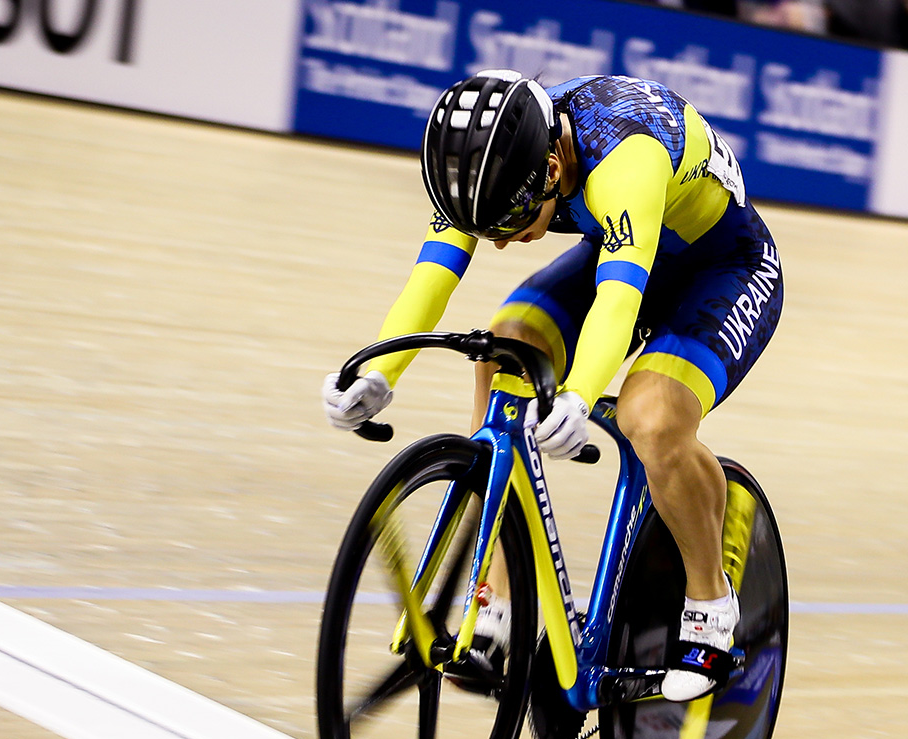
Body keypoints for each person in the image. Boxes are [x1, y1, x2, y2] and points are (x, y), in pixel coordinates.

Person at [322, 71, 783, 703]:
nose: (505, 244)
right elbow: (433, 271)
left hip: (722, 269)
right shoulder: (493, 164)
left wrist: (578, 394)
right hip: (626, 242)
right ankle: (504, 604)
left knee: (651, 417)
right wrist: (380, 372)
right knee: (508, 343)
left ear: (551, 163)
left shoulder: (625, 158)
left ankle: (711, 603)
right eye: (489, 230)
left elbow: (618, 303)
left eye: (512, 222)